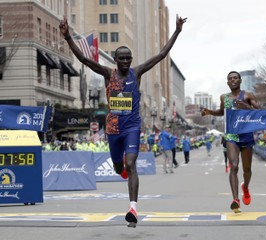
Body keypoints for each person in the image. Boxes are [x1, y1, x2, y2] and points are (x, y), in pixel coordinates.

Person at [59, 15, 187, 227]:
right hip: (113, 129)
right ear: (116, 59)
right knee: (119, 168)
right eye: (122, 58)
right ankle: (123, 173)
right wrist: (67, 37)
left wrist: (177, 31)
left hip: (132, 127)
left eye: (129, 58)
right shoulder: (107, 74)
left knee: (131, 164)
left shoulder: (137, 73)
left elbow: (162, 54)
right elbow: (84, 59)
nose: (126, 62)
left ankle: (133, 210)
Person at [201, 71, 259, 213]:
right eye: (230, 79)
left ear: (240, 81)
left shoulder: (248, 95)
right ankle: (235, 199)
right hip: (231, 135)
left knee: (247, 170)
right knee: (233, 165)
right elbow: (222, 111)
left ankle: (245, 187)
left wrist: (247, 107)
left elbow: (259, 112)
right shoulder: (224, 97)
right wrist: (209, 112)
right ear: (227, 82)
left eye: (235, 78)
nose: (233, 80)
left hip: (246, 135)